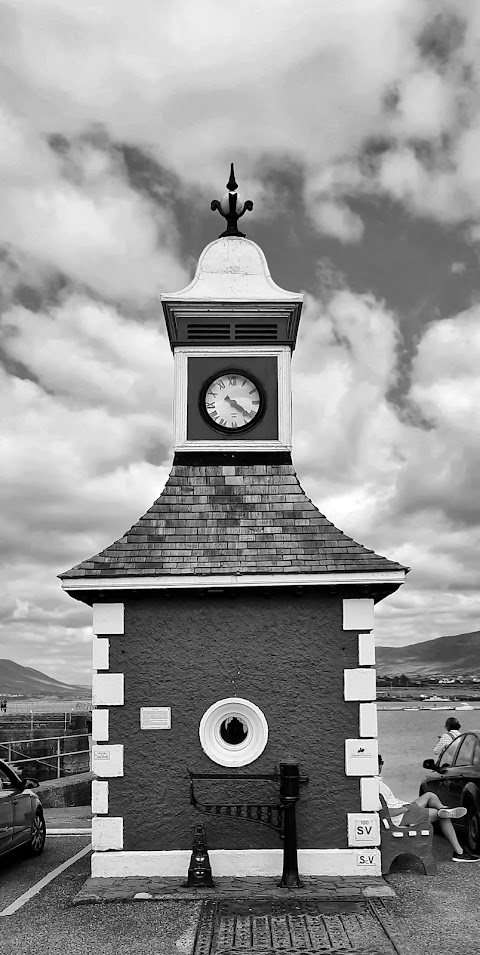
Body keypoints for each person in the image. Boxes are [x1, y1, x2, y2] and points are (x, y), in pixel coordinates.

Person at [377, 754, 480, 863]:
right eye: (381, 763)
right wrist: (404, 809)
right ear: (377, 765)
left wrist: (405, 806)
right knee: (442, 816)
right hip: (402, 815)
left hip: (403, 811)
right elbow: (385, 811)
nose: (381, 766)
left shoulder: (374, 782)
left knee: (430, 795)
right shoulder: (377, 785)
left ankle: (443, 808)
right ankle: (459, 852)